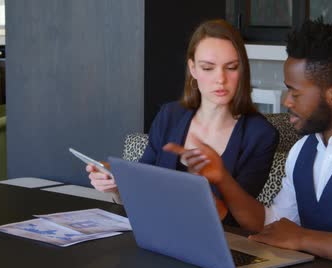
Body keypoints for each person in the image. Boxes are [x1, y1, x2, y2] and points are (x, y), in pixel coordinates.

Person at [166, 19, 332, 268]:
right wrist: (222, 178)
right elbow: (274, 224)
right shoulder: (303, 150)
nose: (287, 102)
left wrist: (304, 238)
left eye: (295, 93)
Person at [87, 19, 279, 227]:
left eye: (231, 67)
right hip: (157, 233)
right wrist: (116, 184)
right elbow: (141, 188)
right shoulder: (170, 115)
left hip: (220, 243)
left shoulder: (260, 135)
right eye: (208, 68)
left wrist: (208, 202)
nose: (220, 79)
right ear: (193, 69)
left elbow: (244, 220)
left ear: (242, 70)